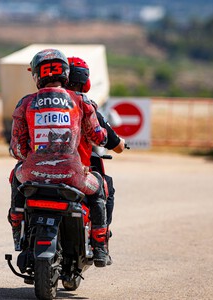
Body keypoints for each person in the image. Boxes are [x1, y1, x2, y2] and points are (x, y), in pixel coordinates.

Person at [9, 48, 111, 267]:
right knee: (100, 187)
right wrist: (103, 136)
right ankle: (100, 246)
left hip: (33, 174)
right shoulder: (81, 100)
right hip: (73, 176)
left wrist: (33, 157)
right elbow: (98, 137)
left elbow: (17, 149)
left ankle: (18, 231)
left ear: (37, 75)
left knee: (15, 177)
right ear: (65, 73)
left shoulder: (25, 103)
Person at [67, 56, 126, 265]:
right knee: (105, 186)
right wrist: (120, 143)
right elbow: (109, 140)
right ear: (86, 82)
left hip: (39, 169)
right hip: (78, 170)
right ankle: (99, 243)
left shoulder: (39, 102)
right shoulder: (86, 105)